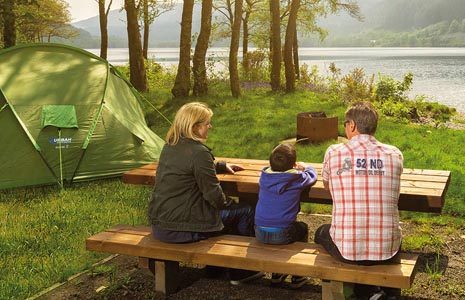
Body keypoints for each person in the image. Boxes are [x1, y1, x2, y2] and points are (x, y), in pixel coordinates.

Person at [148, 102, 263, 285]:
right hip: (182, 228)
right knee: (246, 210)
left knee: (232, 212)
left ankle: (216, 267)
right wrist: (230, 204)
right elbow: (215, 197)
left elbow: (187, 167)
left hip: (161, 223)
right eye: (207, 123)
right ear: (195, 126)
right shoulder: (199, 153)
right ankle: (241, 271)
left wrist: (220, 165)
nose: (210, 126)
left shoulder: (170, 146)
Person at [314, 102, 403, 300]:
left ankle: (357, 292)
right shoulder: (395, 154)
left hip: (347, 251)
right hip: (388, 249)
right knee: (386, 235)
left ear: (352, 126)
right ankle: (380, 291)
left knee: (321, 232)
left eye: (345, 124)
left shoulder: (334, 152)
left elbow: (328, 187)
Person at [255, 143, 318, 289]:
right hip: (282, 234)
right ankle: (298, 275)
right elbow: (312, 177)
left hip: (259, 232)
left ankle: (278, 274)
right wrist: (306, 167)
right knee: (301, 227)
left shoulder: (264, 177)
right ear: (294, 164)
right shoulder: (296, 178)